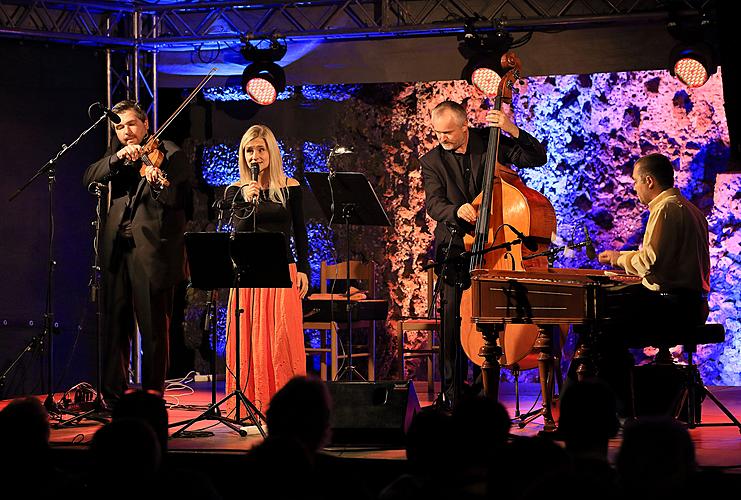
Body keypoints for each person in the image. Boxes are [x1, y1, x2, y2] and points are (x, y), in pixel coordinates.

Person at [420, 100, 548, 406]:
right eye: (438, 133)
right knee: (452, 321)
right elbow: (434, 203)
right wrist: (456, 210)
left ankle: (483, 394)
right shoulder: (432, 160)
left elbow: (536, 158)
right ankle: (451, 394)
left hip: (494, 248)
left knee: (487, 320)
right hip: (455, 248)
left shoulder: (490, 142)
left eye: (448, 132)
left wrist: (511, 129)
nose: (443, 139)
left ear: (465, 126)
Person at [82, 100, 192, 407]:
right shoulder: (116, 155)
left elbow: (179, 200)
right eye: (118, 127)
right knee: (115, 324)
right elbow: (89, 176)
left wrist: (157, 178)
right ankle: (113, 396)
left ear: (145, 124)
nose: (125, 132)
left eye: (131, 124)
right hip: (117, 249)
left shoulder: (171, 152)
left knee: (154, 329)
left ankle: (152, 397)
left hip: (153, 253)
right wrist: (117, 157)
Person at [592, 153, 710, 409]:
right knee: (609, 328)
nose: (634, 188)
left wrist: (617, 259)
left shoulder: (665, 209)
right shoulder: (692, 210)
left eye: (635, 182)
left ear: (649, 180)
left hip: (673, 308)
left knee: (602, 332)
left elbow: (649, 262)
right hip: (694, 305)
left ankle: (618, 410)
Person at [222, 124, 309, 416]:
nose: (254, 156)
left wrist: (304, 270)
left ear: (271, 152)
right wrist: (247, 199)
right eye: (249, 150)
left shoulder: (290, 186)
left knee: (281, 339)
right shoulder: (235, 191)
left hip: (282, 270)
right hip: (247, 274)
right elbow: (238, 232)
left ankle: (285, 407)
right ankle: (249, 404)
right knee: (248, 339)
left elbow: (300, 232)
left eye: (260, 149)